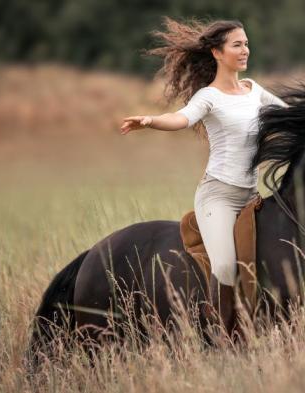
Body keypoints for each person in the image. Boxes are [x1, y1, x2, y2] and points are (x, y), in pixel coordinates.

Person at [119, 17, 287, 335]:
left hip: (254, 198)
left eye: (246, 43)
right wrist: (151, 120)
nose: (245, 50)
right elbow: (180, 119)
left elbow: (292, 116)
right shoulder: (209, 97)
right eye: (237, 44)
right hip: (219, 195)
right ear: (217, 53)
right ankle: (221, 332)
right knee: (224, 265)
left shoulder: (255, 91)